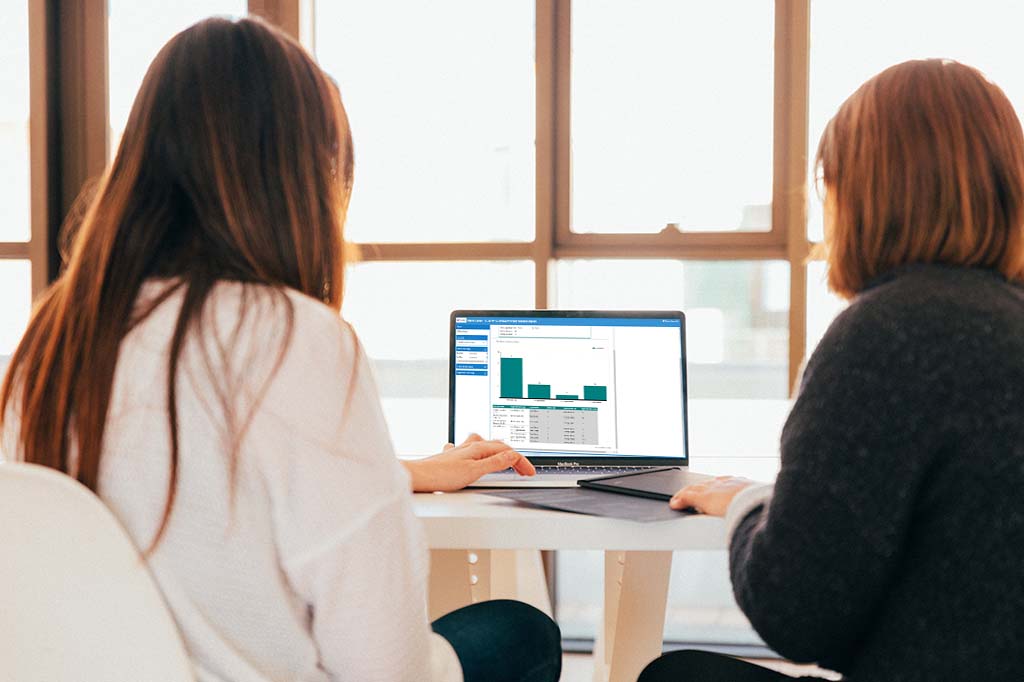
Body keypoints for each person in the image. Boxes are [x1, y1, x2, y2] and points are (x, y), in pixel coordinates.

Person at [0, 17, 559, 682]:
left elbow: (187, 484)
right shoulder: (295, 337)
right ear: (303, 176)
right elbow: (386, 667)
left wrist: (395, 470)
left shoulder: (53, 339)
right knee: (521, 633)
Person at [642, 59, 1024, 681]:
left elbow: (796, 614)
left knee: (672, 675)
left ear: (865, 191)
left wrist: (745, 505)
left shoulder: (890, 333)